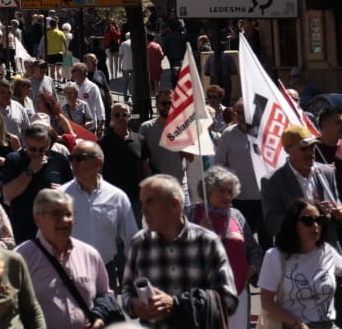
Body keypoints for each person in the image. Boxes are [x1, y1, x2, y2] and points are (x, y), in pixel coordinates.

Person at [121, 174, 237, 326]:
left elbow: (228, 300)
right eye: (142, 203)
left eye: (150, 201)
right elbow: (127, 293)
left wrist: (176, 305)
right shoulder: (139, 243)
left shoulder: (207, 243)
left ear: (174, 204)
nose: (144, 210)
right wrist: (135, 307)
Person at [16, 189, 119, 329]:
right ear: (37, 219)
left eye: (68, 214)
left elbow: (105, 295)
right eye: (56, 214)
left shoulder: (89, 254)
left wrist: (98, 316)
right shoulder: (22, 257)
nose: (64, 220)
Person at [189, 166, 261, 329]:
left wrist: (249, 271)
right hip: (204, 293)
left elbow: (254, 251)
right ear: (208, 191)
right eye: (221, 191)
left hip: (238, 292)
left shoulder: (236, 215)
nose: (227, 196)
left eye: (230, 191)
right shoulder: (191, 214)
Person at [60, 140, 138, 287]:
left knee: (107, 310)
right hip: (68, 271)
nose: (73, 163)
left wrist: (134, 276)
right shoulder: (60, 196)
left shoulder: (116, 197)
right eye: (71, 159)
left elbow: (131, 239)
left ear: (98, 163)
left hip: (105, 270)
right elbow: (45, 238)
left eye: (80, 158)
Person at [259, 198, 342, 329]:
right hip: (294, 326)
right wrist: (298, 324)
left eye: (319, 220)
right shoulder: (275, 256)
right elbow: (267, 302)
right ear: (293, 224)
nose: (315, 226)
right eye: (308, 220)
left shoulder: (327, 251)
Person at [263, 124, 342, 243]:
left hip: (328, 247)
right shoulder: (273, 181)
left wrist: (339, 212)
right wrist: (309, 214)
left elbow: (336, 203)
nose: (310, 151)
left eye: (313, 146)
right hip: (297, 251)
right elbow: (272, 225)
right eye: (304, 148)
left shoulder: (327, 172)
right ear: (287, 150)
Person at [0, 122, 73, 244]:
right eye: (32, 149)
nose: (37, 154)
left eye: (43, 149)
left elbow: (71, 193)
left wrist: (62, 192)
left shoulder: (59, 160)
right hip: (24, 228)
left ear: (49, 145)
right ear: (25, 144)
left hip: (54, 228)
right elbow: (7, 194)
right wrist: (31, 170)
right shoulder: (14, 160)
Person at [214, 100, 267, 248]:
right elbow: (219, 165)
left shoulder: (265, 133)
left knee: (267, 240)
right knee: (243, 240)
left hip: (265, 197)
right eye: (237, 113)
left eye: (244, 112)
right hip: (240, 199)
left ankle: (266, 269)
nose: (241, 116)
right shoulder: (228, 134)